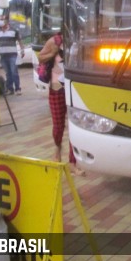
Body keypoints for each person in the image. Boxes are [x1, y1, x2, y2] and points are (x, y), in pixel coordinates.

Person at [37, 32, 84, 176]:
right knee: (58, 126)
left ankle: (72, 162)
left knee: (74, 127)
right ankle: (57, 150)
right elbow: (40, 57)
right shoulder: (55, 41)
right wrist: (53, 53)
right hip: (56, 89)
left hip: (73, 89)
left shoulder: (80, 39)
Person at [0, 15, 24, 95]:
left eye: (2, 20)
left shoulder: (13, 30)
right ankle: (10, 89)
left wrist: (22, 50)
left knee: (14, 72)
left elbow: (19, 40)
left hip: (13, 55)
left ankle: (17, 88)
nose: (0, 21)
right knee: (8, 73)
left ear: (6, 21)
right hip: (3, 56)